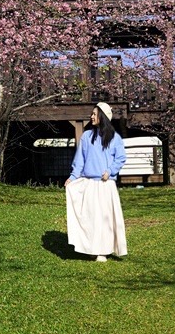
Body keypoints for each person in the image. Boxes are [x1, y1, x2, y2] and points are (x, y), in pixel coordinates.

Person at [65, 101, 127, 262]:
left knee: (104, 219)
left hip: (106, 184)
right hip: (89, 183)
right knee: (91, 218)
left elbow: (120, 158)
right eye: (92, 114)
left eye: (94, 114)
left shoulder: (115, 138)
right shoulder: (86, 137)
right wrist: (72, 177)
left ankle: (103, 250)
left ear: (103, 116)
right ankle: (92, 247)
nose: (91, 116)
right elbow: (80, 160)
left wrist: (110, 171)